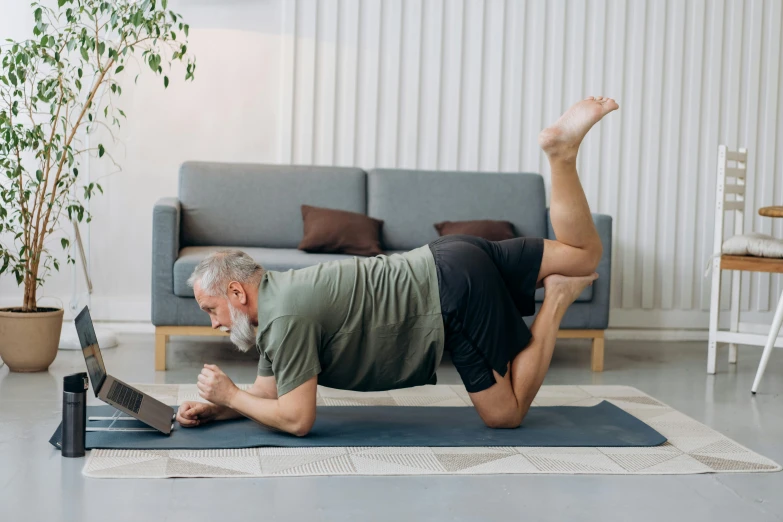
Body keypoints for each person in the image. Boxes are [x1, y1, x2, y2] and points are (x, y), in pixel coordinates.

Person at [175, 96, 619, 436]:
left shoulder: (285, 319)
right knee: (585, 254)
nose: (213, 323)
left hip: (451, 300)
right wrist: (222, 408)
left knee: (505, 414)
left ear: (236, 293)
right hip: (449, 255)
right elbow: (269, 395)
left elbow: (295, 418)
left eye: (209, 309)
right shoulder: (279, 300)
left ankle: (557, 299)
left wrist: (230, 393)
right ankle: (561, 155)